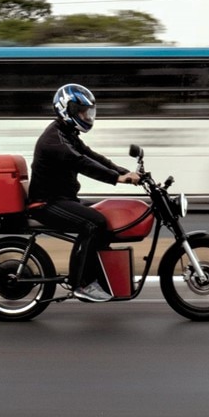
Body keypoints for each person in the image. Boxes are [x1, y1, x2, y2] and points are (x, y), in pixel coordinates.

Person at [27, 83, 141, 302]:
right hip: (46, 204)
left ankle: (100, 276)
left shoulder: (67, 133)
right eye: (80, 111)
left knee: (105, 217)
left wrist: (125, 172)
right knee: (93, 223)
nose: (86, 116)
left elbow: (92, 156)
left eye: (87, 111)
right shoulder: (55, 141)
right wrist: (117, 178)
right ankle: (81, 283)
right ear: (66, 109)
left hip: (63, 199)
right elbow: (81, 163)